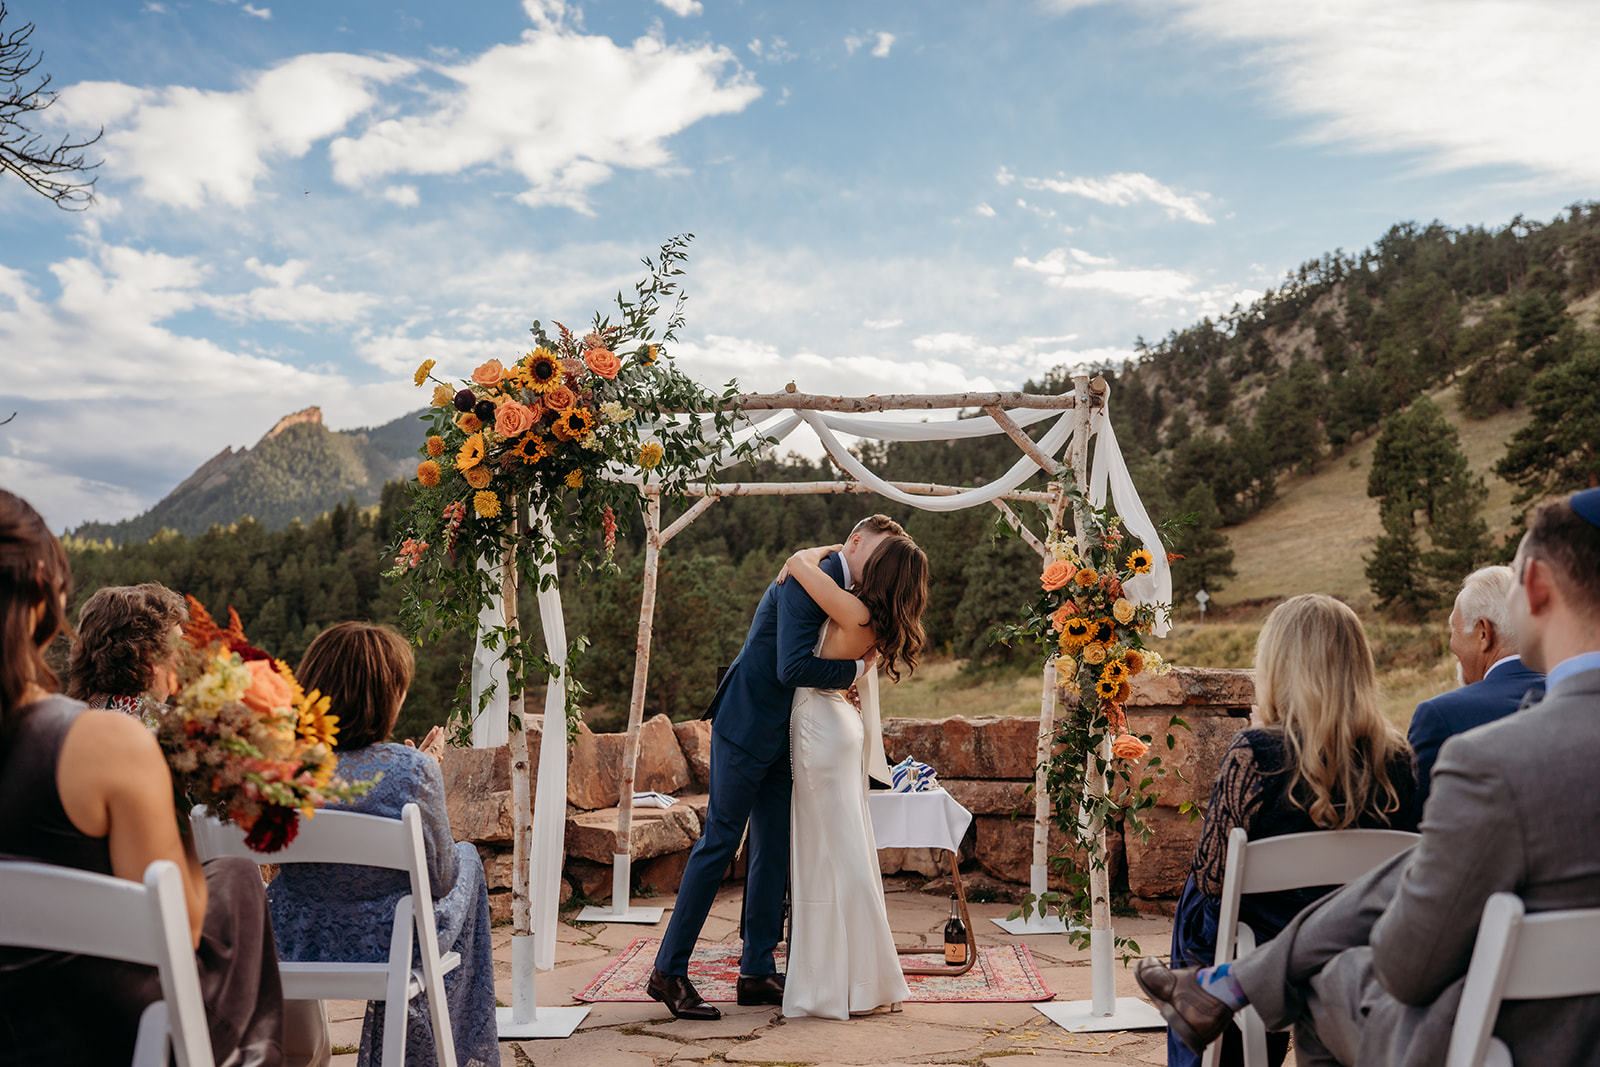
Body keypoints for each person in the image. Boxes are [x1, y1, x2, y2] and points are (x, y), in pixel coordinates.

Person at [1135, 488, 1600, 1066]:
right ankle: (1235, 980)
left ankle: (1231, 982)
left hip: (1511, 1042)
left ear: (1534, 588)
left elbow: (1409, 968)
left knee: (1326, 977)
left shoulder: (1493, 761)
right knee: (1398, 874)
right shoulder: (1403, 759)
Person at [0, 489, 284, 1066]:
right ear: (36, 593)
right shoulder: (107, 743)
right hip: (105, 1035)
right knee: (234, 880)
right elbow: (178, 927)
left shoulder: (96, 721)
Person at [649, 516, 901, 1020]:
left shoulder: (831, 578)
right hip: (746, 723)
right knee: (720, 841)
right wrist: (853, 670)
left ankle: (756, 969)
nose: (873, 568)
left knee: (773, 847)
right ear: (854, 542)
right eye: (871, 555)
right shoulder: (812, 578)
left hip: (787, 733)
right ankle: (668, 972)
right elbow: (791, 666)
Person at [1161, 594, 1419, 1067]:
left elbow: (1213, 879)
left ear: (1278, 667)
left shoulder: (1255, 755)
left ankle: (1208, 1025)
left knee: (1197, 905)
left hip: (1261, 947)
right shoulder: (1400, 760)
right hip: (1358, 952)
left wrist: (1263, 734)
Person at [267, 622, 496, 1067]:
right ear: (388, 695)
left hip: (295, 938)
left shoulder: (281, 768)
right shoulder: (410, 770)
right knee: (466, 859)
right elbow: (441, 880)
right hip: (389, 943)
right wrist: (426, 774)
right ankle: (450, 1051)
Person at [775, 533, 928, 1018]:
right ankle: (856, 979)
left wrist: (809, 554)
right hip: (838, 725)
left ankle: (851, 982)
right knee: (842, 850)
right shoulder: (871, 620)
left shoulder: (856, 612)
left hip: (821, 726)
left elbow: (797, 564)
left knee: (829, 856)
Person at [1407, 565, 1543, 812]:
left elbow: (1417, 831)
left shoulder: (1440, 717)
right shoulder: (1576, 696)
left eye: (1454, 629)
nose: (1451, 644)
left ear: (1483, 632)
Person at [65, 581, 188, 715]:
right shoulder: (172, 728)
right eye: (180, 644)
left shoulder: (65, 719)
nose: (187, 652)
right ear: (153, 657)